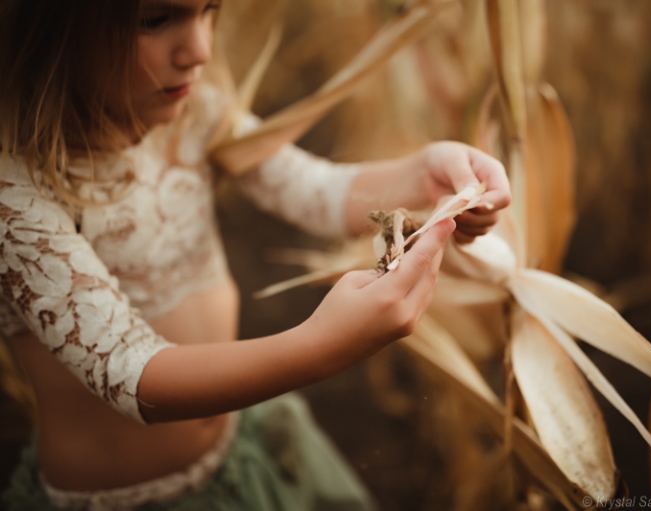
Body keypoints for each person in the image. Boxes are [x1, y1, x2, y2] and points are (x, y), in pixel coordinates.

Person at [0, 0, 511, 509]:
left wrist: (422, 175)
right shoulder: (15, 195)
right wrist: (323, 344)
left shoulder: (193, 113)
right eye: (155, 20)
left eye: (208, 10)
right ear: (46, 28)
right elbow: (130, 371)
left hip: (240, 445)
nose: (199, 50)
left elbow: (316, 190)